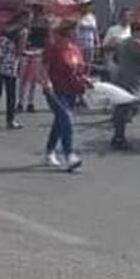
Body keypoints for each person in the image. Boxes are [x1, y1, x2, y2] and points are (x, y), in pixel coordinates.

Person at [43, 20, 88, 171]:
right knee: (66, 118)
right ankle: (70, 155)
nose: (76, 34)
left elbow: (79, 70)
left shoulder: (75, 49)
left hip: (71, 90)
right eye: (74, 31)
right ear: (65, 33)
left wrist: (86, 81)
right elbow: (43, 68)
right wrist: (46, 82)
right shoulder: (53, 48)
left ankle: (49, 151)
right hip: (55, 90)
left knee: (60, 121)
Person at [111, 21, 140, 150]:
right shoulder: (137, 43)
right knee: (126, 108)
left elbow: (115, 59)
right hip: (133, 79)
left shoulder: (122, 42)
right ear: (139, 31)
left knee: (121, 108)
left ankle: (118, 136)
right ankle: (119, 138)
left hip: (121, 77)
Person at [0, 12, 26, 130]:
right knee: (11, 94)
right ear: (22, 18)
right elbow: (19, 51)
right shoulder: (23, 31)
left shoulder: (5, 28)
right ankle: (10, 120)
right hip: (10, 64)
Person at [18, 5, 51, 114]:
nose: (37, 12)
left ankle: (29, 102)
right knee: (24, 78)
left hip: (38, 51)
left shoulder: (46, 22)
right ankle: (21, 102)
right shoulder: (29, 22)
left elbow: (49, 39)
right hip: (28, 50)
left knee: (32, 78)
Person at [73, 0, 99, 68]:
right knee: (80, 63)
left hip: (90, 44)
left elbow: (95, 31)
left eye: (88, 5)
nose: (87, 7)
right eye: (85, 5)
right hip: (79, 44)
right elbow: (74, 31)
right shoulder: (76, 16)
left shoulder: (92, 17)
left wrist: (97, 43)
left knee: (89, 63)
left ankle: (87, 75)